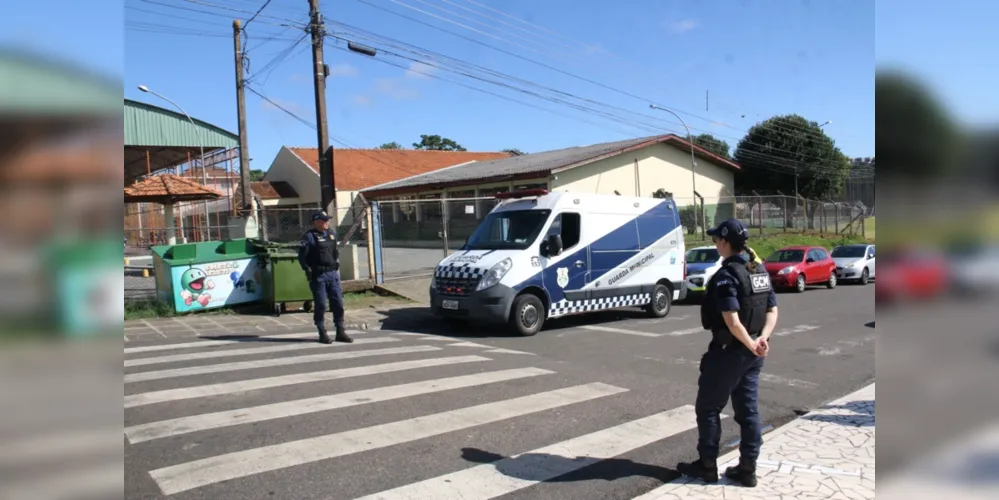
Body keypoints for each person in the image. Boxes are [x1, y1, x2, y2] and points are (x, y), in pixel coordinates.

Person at [676, 218, 779, 487]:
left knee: (708, 408)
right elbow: (772, 310)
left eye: (715, 240)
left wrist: (750, 344)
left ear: (724, 242)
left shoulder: (727, 275)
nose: (715, 244)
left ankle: (707, 465)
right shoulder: (758, 270)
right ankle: (747, 469)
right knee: (748, 412)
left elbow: (732, 321)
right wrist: (761, 339)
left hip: (729, 352)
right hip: (754, 352)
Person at [298, 210, 353, 344]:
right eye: (324, 220)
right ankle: (322, 332)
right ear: (316, 222)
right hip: (319, 276)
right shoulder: (309, 237)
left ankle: (340, 331)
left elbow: (335, 252)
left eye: (327, 220)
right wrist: (308, 270)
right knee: (321, 304)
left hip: (332, 274)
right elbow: (302, 257)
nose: (327, 222)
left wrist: (335, 263)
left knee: (338, 303)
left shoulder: (331, 233)